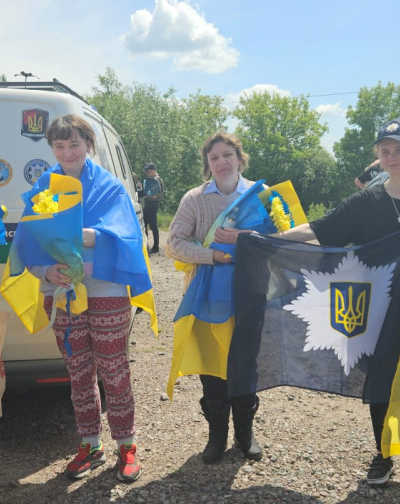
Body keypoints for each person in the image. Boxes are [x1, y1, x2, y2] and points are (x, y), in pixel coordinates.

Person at [274, 118, 400, 493]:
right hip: (375, 308)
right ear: (378, 155)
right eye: (385, 151)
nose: (393, 157)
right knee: (381, 381)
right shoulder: (366, 202)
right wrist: (266, 239)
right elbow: (320, 229)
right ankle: (384, 452)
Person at [33, 114, 146, 482]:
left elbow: (128, 234)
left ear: (88, 145)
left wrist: (89, 236)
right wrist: (45, 272)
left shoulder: (110, 187)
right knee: (79, 372)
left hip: (106, 289)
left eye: (74, 144)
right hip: (61, 291)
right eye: (60, 145)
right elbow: (30, 241)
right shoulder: (45, 188)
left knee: (113, 369)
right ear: (52, 148)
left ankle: (126, 444)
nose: (68, 152)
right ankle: (90, 444)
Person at [165, 131, 263, 464]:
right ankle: (216, 436)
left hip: (249, 293)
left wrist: (244, 239)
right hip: (206, 294)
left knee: (245, 364)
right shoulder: (195, 199)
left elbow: (278, 239)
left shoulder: (259, 196)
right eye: (214, 157)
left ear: (240, 158)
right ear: (207, 164)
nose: (221, 162)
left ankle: (245, 434)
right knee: (211, 367)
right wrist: (213, 256)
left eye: (227, 155)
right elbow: (174, 243)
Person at [141, 163, 164, 253]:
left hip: (152, 204)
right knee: (147, 224)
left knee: (152, 225)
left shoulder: (156, 180)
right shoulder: (154, 180)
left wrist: (145, 195)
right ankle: (149, 245)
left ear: (153, 170)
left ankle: (154, 247)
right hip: (150, 204)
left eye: (148, 172)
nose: (147, 174)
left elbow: (155, 195)